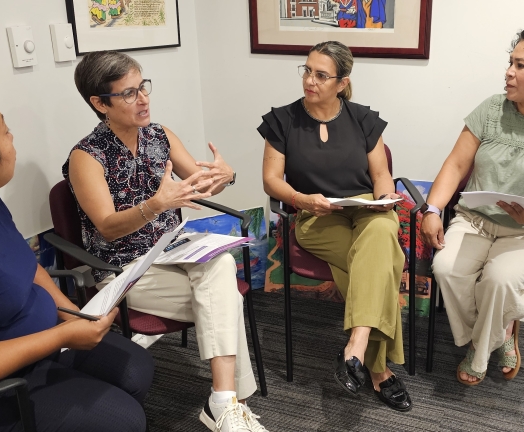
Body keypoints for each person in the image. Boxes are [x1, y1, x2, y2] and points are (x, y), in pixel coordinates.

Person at [63, 51, 268, 432]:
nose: (143, 99)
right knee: (226, 294)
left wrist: (226, 174)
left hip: (175, 251)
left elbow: (201, 182)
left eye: (143, 87)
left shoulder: (160, 135)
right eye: (128, 93)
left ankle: (223, 404)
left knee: (221, 268)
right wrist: (156, 205)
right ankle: (228, 406)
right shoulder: (86, 156)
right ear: (99, 103)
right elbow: (107, 227)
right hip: (125, 270)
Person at [0, 81, 154, 431]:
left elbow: (28, 269)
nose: (12, 140)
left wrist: (71, 316)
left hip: (41, 345)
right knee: (125, 420)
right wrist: (60, 337)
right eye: (5, 131)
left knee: (135, 368)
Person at [259, 40, 412, 412]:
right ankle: (379, 371)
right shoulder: (282, 120)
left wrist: (383, 200)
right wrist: (301, 199)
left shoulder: (363, 119)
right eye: (307, 71)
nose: (310, 81)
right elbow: (271, 181)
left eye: (321, 75)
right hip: (316, 216)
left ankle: (355, 348)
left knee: (379, 231)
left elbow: (381, 175)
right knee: (380, 267)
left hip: (365, 212)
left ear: (342, 82)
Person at [421, 30, 524, 386]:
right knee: (446, 268)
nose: (508, 72)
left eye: (520, 66)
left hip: (521, 233)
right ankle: (503, 330)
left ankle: (480, 353)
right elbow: (456, 165)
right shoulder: (492, 108)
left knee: (499, 280)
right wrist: (433, 209)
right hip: (474, 221)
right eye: (511, 62)